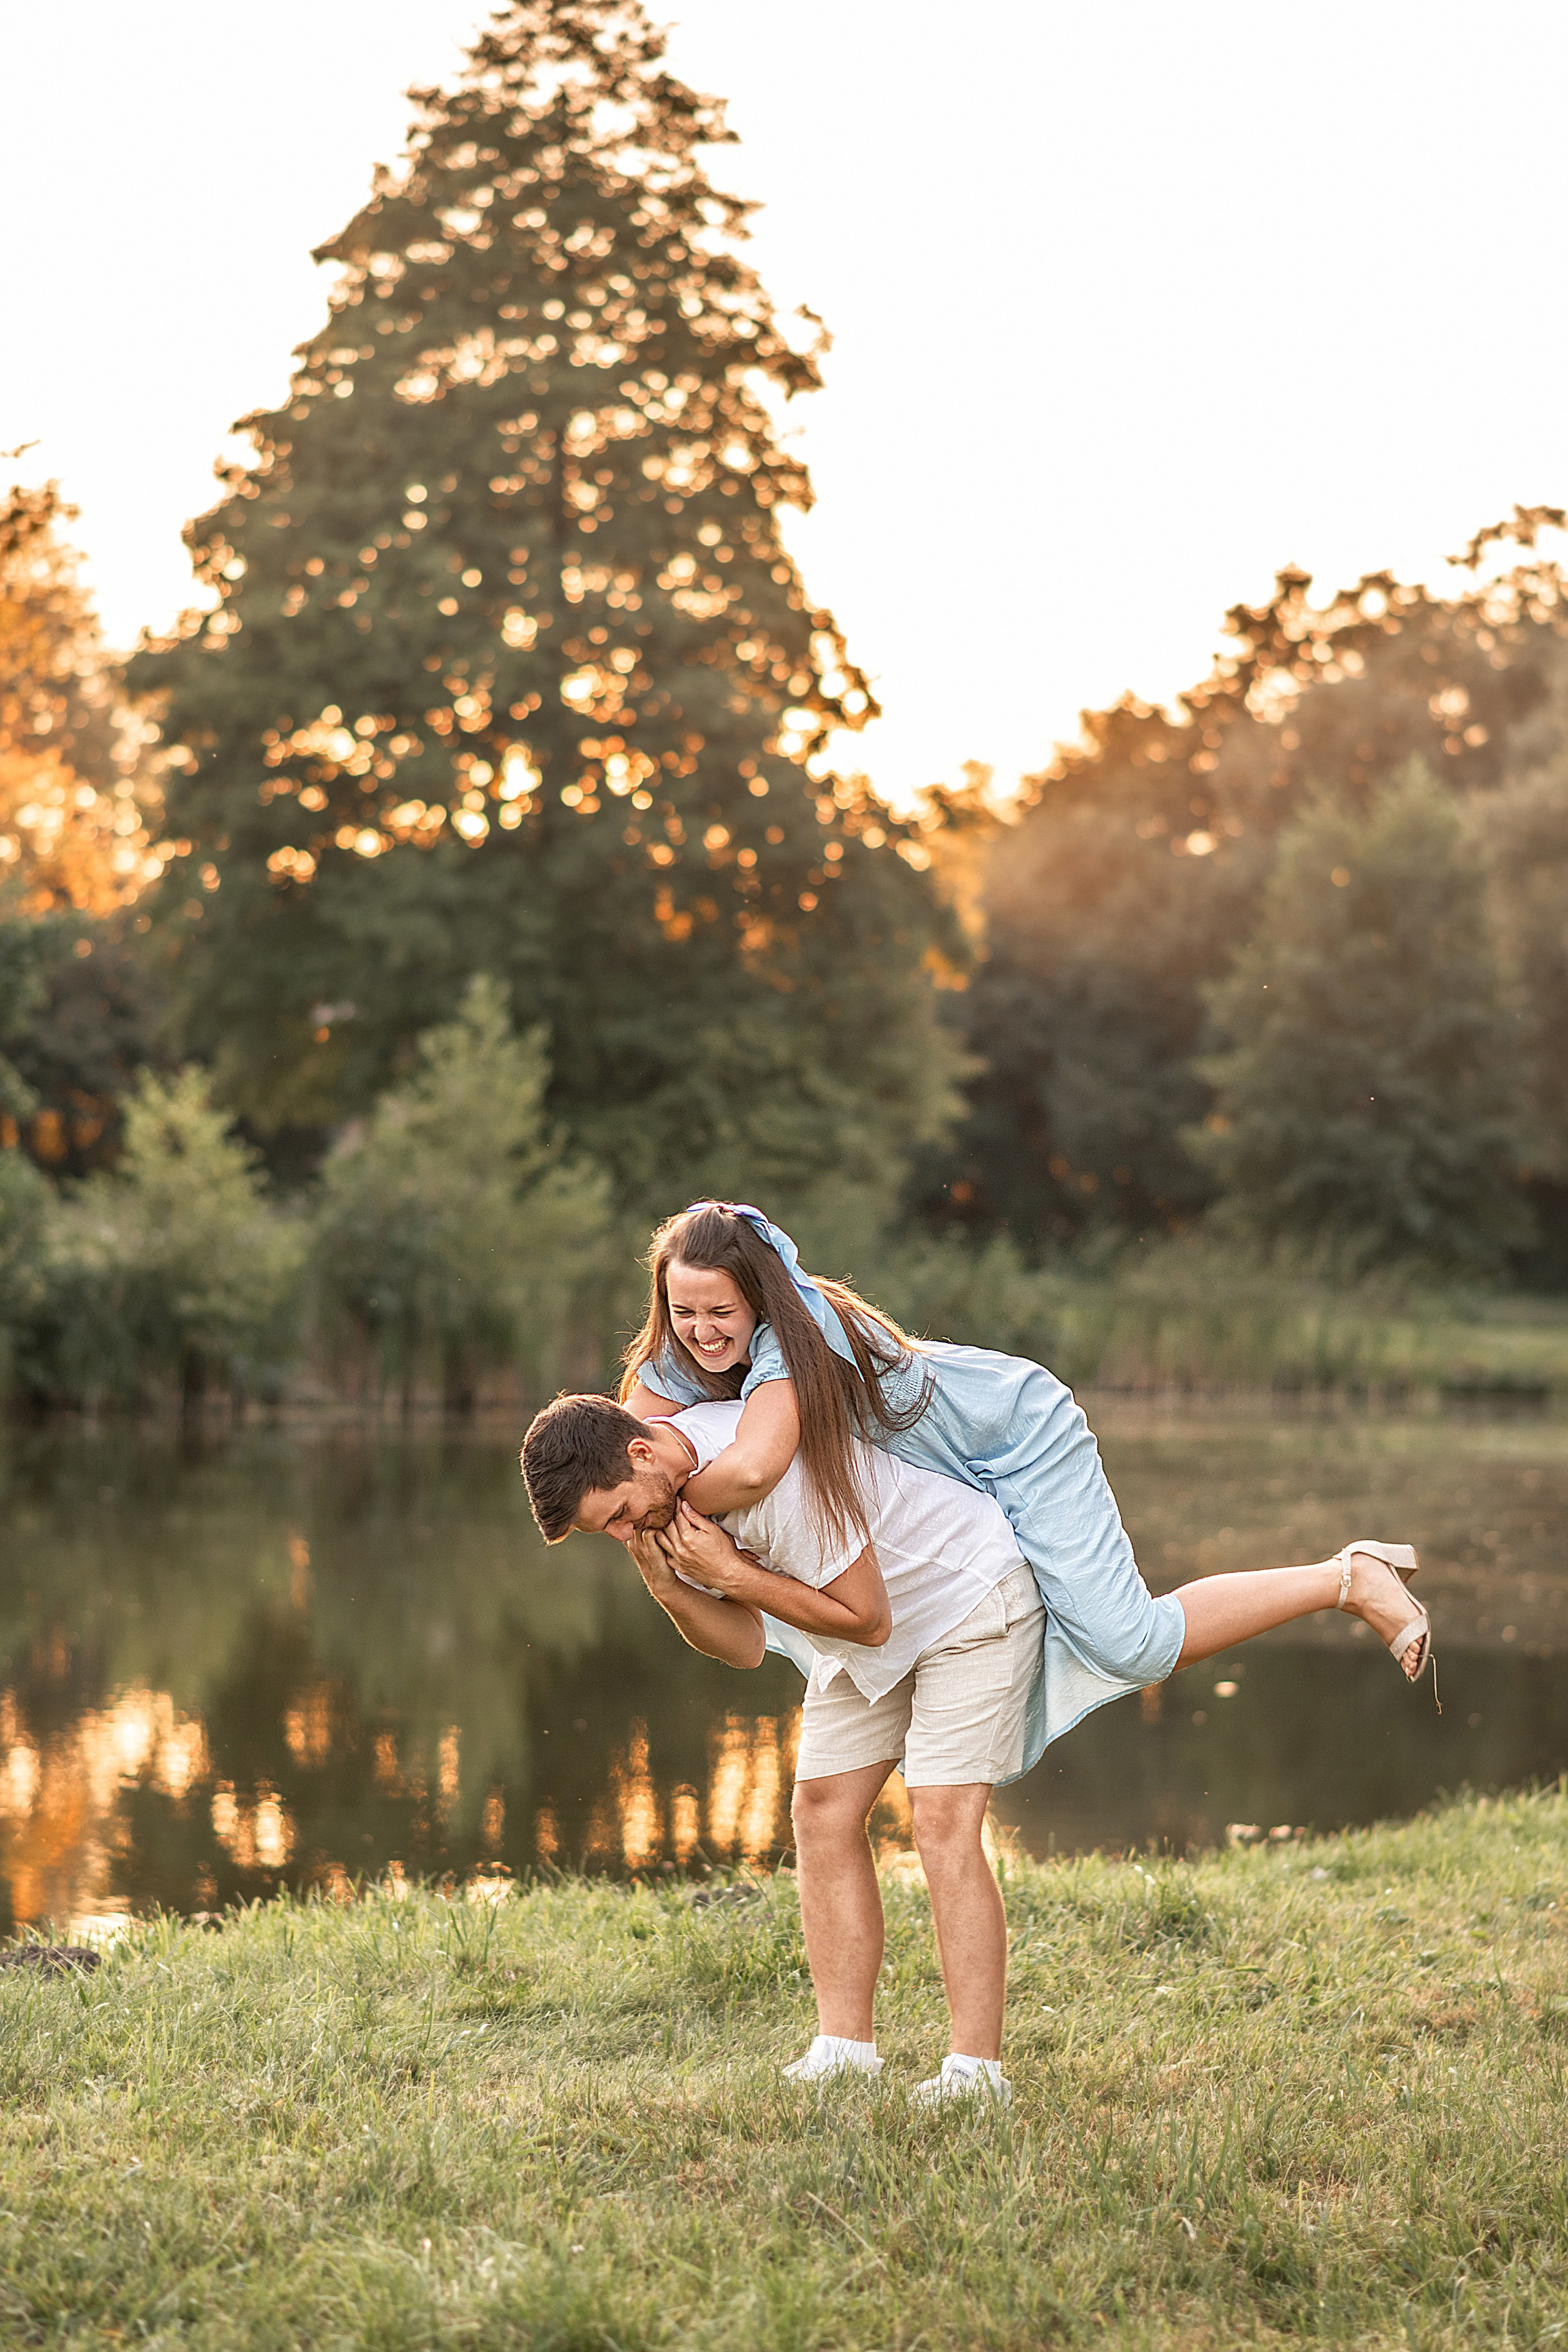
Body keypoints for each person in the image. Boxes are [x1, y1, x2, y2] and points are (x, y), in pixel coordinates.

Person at [617, 1202, 1435, 1765]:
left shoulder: (792, 1340)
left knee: (1128, 1645)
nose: (702, 1333)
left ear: (759, 1300)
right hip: (943, 1487)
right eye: (684, 1313)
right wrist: (640, 1502)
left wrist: (662, 1508)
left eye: (720, 1312)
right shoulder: (678, 1353)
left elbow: (753, 1468)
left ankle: (1346, 1577)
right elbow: (621, 1452)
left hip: (1013, 1439)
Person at [521, 1388, 1046, 2103]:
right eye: (605, 1530)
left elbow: (866, 1619)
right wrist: (670, 1588)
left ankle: (975, 2074)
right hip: (867, 1631)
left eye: (616, 1515)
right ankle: (844, 2052)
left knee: (940, 1820)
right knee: (822, 1810)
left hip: (963, 1595)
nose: (622, 1533)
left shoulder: (764, 1470)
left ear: (641, 1453)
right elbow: (743, 1645)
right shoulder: (662, 1502)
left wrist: (734, 1575)